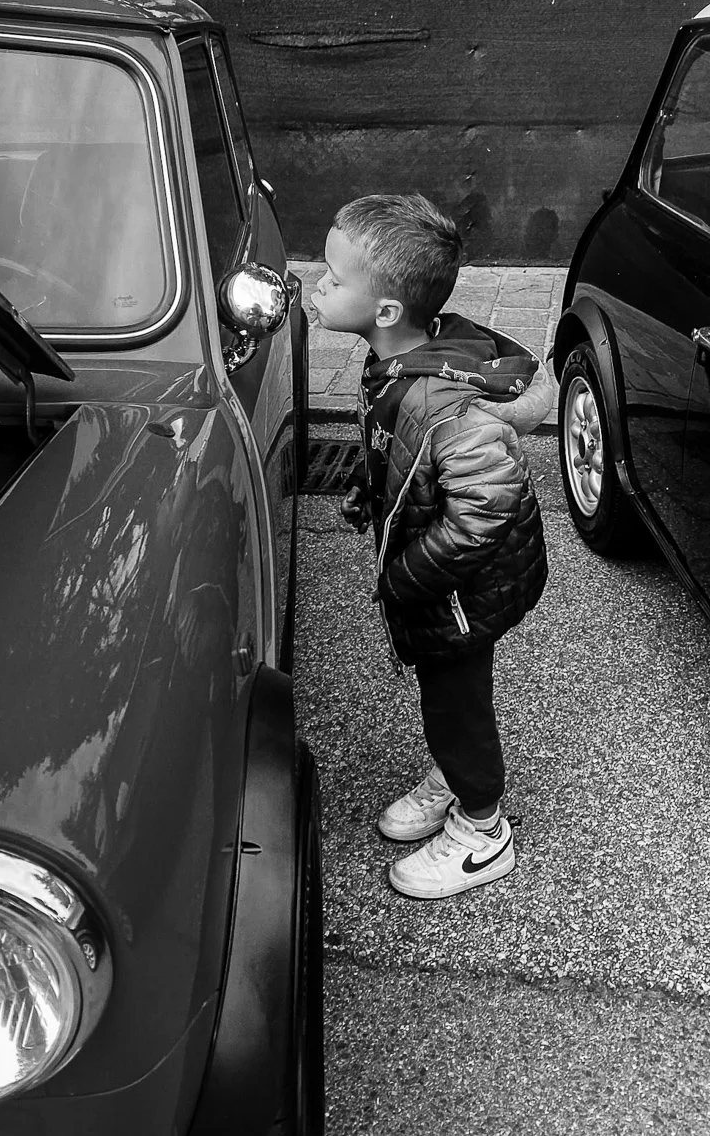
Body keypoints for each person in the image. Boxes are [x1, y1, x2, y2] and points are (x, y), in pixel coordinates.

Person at [310, 192, 551, 899]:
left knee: (456, 704)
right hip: (437, 587)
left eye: (331, 277)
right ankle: (452, 776)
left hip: (455, 595)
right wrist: (370, 487)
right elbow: (402, 452)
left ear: (385, 311)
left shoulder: (453, 410)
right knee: (445, 700)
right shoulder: (392, 361)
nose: (316, 287)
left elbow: (484, 510)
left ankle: (482, 830)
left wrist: (405, 576)